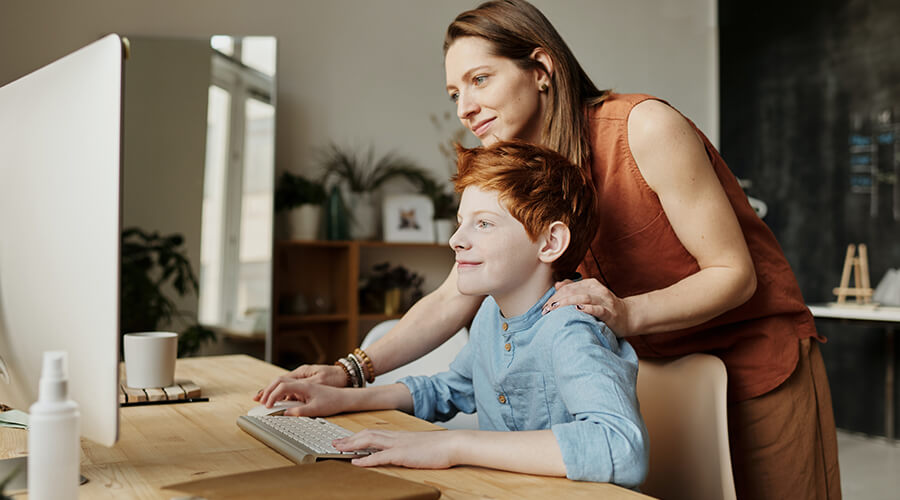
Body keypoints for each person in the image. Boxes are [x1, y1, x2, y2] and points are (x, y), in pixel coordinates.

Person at [259, 1, 840, 498]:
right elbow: (453, 296)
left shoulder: (643, 128)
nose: (464, 107)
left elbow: (733, 274)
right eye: (455, 91)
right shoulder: (532, 174)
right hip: (654, 370)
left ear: (541, 67)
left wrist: (623, 312)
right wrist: (349, 371)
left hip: (758, 364)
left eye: (480, 80)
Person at [258, 141, 649, 486]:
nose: (456, 240)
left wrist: (453, 444)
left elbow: (621, 446)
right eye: (462, 222)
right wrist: (342, 398)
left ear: (549, 242)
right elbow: (451, 389)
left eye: (483, 224)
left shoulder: (570, 328)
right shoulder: (490, 317)